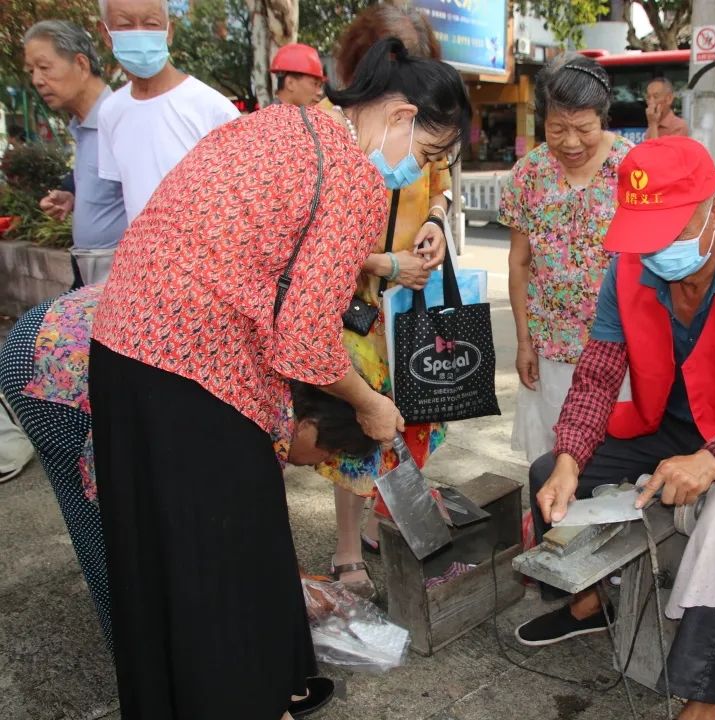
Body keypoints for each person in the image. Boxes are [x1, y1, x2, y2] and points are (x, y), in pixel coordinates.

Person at [87, 36, 471, 720]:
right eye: (429, 152)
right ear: (401, 116)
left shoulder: (281, 121)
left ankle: (260, 680)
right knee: (219, 553)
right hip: (190, 363)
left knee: (167, 546)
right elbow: (305, 342)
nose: (420, 168)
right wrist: (371, 402)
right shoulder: (350, 172)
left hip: (123, 343)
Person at [515, 137, 715, 720]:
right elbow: (597, 378)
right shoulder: (626, 272)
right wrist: (570, 458)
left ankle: (701, 699)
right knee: (546, 473)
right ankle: (588, 603)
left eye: (671, 231)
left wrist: (713, 461)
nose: (656, 249)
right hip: (665, 429)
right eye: (645, 232)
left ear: (713, 208)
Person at [0, 285, 379, 650]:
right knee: (106, 522)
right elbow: (237, 518)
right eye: (332, 452)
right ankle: (138, 656)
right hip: (56, 367)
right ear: (311, 424)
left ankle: (154, 643)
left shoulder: (277, 383)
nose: (323, 465)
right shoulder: (260, 408)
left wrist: (292, 582)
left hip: (76, 334)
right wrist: (290, 590)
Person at [313, 3, 454, 600]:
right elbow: (312, 247)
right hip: (350, 303)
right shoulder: (328, 125)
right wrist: (381, 263)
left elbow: (441, 186)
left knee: (412, 411)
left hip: (410, 299)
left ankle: (387, 519)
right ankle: (348, 546)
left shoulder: (428, 122)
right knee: (358, 421)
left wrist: (438, 226)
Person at [501, 53, 633, 462]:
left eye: (583, 129)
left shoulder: (632, 168)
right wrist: (524, 343)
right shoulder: (529, 174)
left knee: (618, 457)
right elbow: (519, 263)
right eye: (557, 129)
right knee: (555, 451)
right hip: (552, 346)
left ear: (602, 119)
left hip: (622, 347)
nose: (571, 142)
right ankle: (549, 524)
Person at [96, 0, 240, 223]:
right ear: (106, 34)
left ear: (169, 32)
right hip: (141, 255)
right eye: (125, 25)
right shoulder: (110, 112)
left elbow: (241, 198)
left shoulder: (215, 110)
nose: (139, 33)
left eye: (151, 24)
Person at [24, 20, 126, 287]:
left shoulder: (121, 120)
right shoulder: (81, 126)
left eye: (44, 67)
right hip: (88, 275)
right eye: (31, 70)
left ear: (81, 64)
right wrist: (73, 196)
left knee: (29, 328)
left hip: (120, 282)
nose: (36, 80)